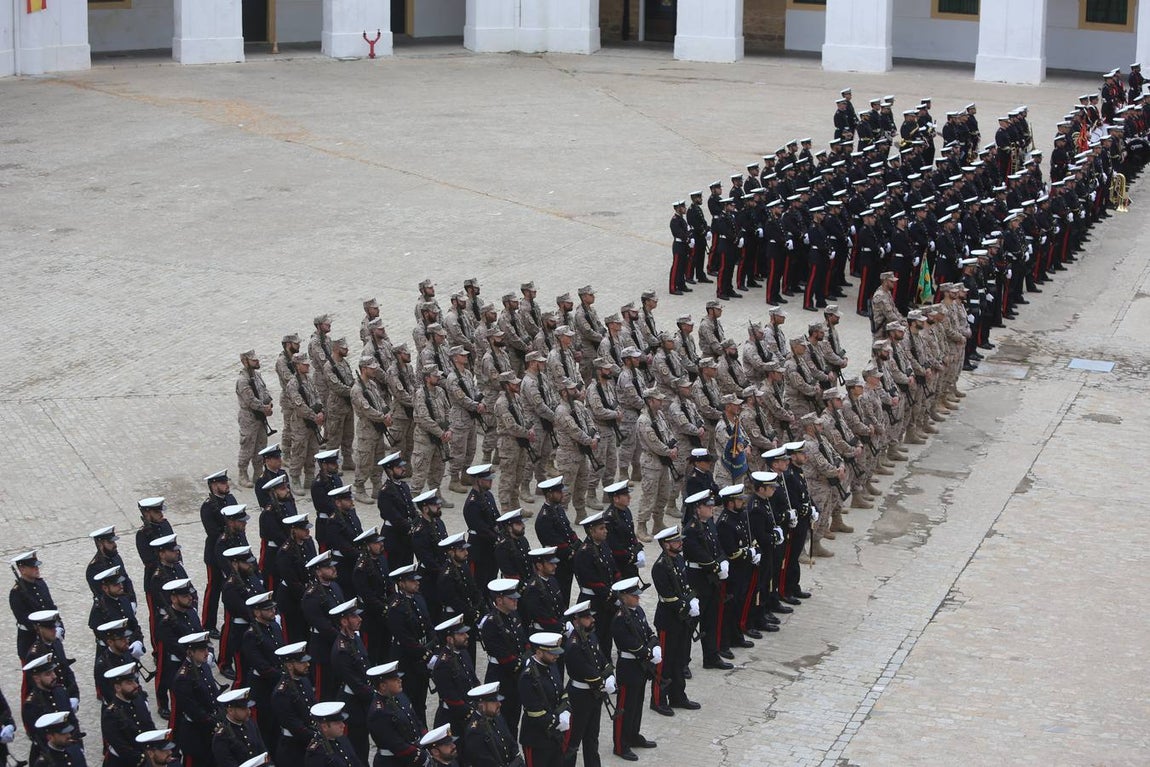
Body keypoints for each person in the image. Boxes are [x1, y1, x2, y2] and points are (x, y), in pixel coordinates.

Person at [609, 578, 659, 762]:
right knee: (625, 707)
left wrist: (654, 644)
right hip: (629, 667)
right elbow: (629, 644)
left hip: (640, 666)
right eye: (633, 595)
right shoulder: (620, 619)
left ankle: (633, 735)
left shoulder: (638, 611)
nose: (638, 598)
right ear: (623, 597)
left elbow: (648, 632)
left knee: (637, 704)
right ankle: (620, 745)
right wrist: (648, 652)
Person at [562, 600, 614, 767]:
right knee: (573, 741)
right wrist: (602, 682)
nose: (592, 620)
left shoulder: (590, 635)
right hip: (580, 696)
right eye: (587, 618)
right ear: (576, 621)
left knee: (592, 737)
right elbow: (585, 670)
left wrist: (610, 674)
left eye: (591, 616)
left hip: (594, 695)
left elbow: (601, 658)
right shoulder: (573, 645)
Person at [681, 493, 729, 671]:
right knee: (691, 623)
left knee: (711, 619)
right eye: (707, 506)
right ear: (697, 509)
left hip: (711, 578)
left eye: (711, 505)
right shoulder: (691, 529)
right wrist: (716, 566)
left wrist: (723, 560)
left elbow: (717, 546)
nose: (711, 508)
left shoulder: (709, 524)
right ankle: (683, 662)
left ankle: (711, 656)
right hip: (697, 578)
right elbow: (697, 553)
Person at [478, 578, 527, 741]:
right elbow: (503, 656)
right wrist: (523, 663)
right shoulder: (491, 623)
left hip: (515, 675)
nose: (515, 601)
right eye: (511, 598)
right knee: (501, 721)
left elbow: (523, 642)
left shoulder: (513, 615)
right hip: (500, 675)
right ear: (499, 600)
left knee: (514, 718)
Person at [386, 565, 433, 728]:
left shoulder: (418, 598)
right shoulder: (396, 607)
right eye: (412, 581)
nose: (417, 583)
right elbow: (405, 638)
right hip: (407, 659)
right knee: (409, 701)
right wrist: (426, 654)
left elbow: (427, 624)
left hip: (421, 656)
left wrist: (432, 645)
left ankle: (423, 729)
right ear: (401, 583)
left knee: (421, 700)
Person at [171, 631, 224, 766]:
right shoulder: (183, 678)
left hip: (210, 728)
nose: (206, 653)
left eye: (206, 649)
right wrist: (213, 721)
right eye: (201, 650)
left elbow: (213, 693)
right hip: (195, 733)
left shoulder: (203, 666)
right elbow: (193, 709)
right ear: (190, 652)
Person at [329, 599, 373, 763]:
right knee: (357, 749)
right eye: (354, 617)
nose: (359, 619)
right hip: (353, 703)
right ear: (344, 621)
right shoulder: (341, 650)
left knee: (364, 746)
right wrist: (374, 693)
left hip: (362, 699)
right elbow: (354, 681)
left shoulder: (355, 639)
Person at [239, 591, 283, 750]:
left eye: (273, 608)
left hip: (278, 681)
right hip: (262, 686)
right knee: (266, 726)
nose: (273, 612)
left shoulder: (274, 626)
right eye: (268, 609)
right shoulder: (251, 635)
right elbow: (260, 665)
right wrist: (282, 675)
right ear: (257, 612)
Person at [572, 512, 619, 660]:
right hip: (593, 601)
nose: (605, 531)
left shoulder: (603, 545)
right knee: (595, 637)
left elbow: (613, 569)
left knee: (607, 636)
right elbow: (591, 581)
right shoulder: (584, 552)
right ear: (591, 531)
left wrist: (619, 586)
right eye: (601, 528)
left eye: (605, 527)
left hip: (606, 600)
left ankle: (606, 662)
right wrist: (612, 595)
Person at [518, 632, 570, 767]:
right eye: (552, 653)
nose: (556, 656)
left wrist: (566, 710)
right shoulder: (528, 677)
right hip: (537, 738)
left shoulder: (551, 665)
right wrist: (557, 721)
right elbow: (535, 711)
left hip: (554, 736)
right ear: (539, 652)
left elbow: (561, 692)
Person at [199, 469, 237, 640]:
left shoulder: (231, 499)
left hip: (232, 550)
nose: (226, 485)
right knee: (214, 589)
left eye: (226, 482)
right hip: (215, 554)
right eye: (222, 483)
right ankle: (208, 624)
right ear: (213, 486)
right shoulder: (208, 507)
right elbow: (213, 532)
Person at [365, 661, 424, 767]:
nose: (400, 680)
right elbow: (395, 743)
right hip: (392, 761)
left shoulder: (400, 696)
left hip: (411, 755)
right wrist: (419, 755)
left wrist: (426, 739)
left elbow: (415, 720)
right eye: (395, 680)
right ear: (383, 686)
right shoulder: (379, 712)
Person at [533, 476, 580, 603]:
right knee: (559, 595)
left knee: (566, 592)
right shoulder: (544, 518)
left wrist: (577, 543)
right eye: (558, 492)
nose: (562, 495)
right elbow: (552, 542)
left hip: (567, 561)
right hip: (556, 561)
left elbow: (567, 530)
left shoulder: (558, 509)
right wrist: (570, 551)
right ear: (549, 494)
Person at [100, 661, 154, 767]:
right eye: (129, 683)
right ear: (118, 687)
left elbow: (149, 726)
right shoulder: (111, 714)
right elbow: (121, 746)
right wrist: (144, 760)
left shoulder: (138, 700)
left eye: (134, 681)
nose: (136, 685)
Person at [270, 642, 316, 767]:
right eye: (302, 662)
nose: (307, 664)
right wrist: (316, 736)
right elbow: (293, 724)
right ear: (289, 665)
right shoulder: (281, 693)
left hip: (309, 742)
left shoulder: (304, 681)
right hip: (293, 748)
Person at [237, 349, 275, 488]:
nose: (257, 361)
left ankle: (258, 473)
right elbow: (250, 400)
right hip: (249, 417)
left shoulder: (257, 375)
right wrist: (264, 408)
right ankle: (243, 474)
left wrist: (269, 403)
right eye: (253, 360)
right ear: (245, 362)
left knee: (261, 445)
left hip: (261, 416)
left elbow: (264, 391)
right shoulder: (242, 381)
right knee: (247, 446)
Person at [464, 683, 519, 767]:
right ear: (481, 705)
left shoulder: (497, 717)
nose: (499, 704)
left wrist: (517, 759)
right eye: (494, 702)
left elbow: (510, 741)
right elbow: (484, 761)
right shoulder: (475, 731)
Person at [211, 687, 266, 767]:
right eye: (243, 709)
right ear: (230, 710)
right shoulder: (222, 735)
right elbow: (226, 762)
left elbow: (262, 749)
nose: (248, 711)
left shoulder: (250, 723)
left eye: (248, 707)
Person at [305, 701, 363, 766]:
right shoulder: (317, 753)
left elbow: (355, 762)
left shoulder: (342, 738)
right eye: (338, 723)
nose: (343, 725)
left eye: (342, 721)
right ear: (324, 727)